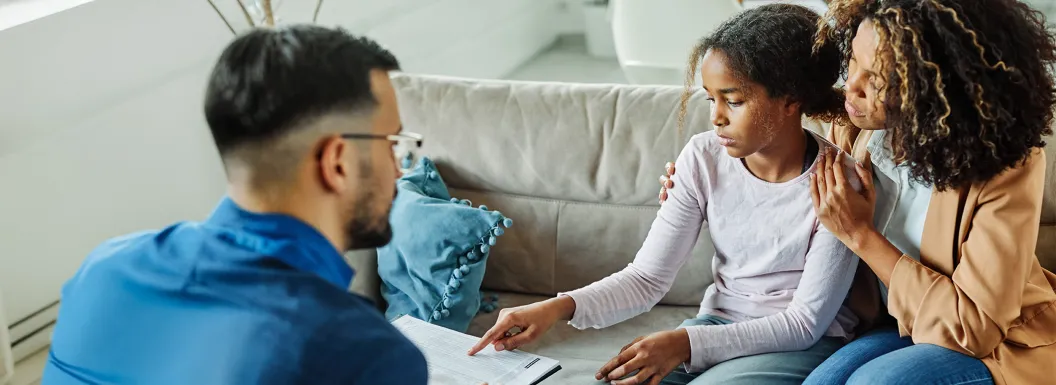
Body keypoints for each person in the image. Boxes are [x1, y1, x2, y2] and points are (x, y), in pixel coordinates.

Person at [661, 0, 1056, 384]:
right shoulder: (854, 131)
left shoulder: (1006, 166)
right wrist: (701, 187)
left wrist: (860, 235)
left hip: (992, 343)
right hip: (890, 324)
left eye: (877, 79)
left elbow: (974, 328)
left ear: (936, 91)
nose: (851, 87)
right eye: (852, 62)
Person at [471, 5, 861, 385]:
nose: (716, 117)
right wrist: (556, 308)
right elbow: (646, 279)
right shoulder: (703, 157)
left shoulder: (838, 184)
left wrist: (686, 342)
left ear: (791, 101)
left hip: (799, 342)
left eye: (734, 100)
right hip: (719, 322)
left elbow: (803, 324)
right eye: (711, 98)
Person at [42, 25, 429, 385]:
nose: (399, 170)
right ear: (338, 162)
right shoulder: (364, 354)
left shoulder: (102, 270)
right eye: (392, 144)